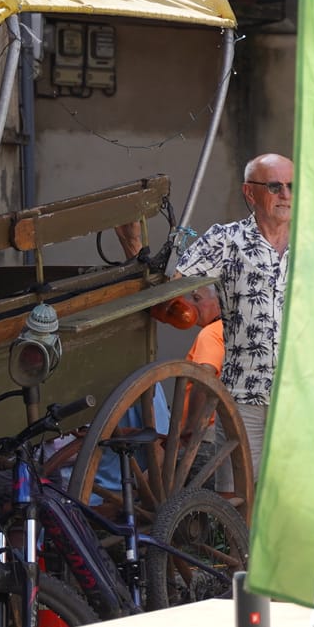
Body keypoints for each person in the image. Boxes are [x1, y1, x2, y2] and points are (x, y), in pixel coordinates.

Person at [131, 152, 294, 480]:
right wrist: (136, 249)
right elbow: (173, 281)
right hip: (242, 399)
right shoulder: (226, 240)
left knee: (298, 503)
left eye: (292, 186)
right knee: (236, 495)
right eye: (275, 186)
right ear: (250, 192)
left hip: (299, 397)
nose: (286, 196)